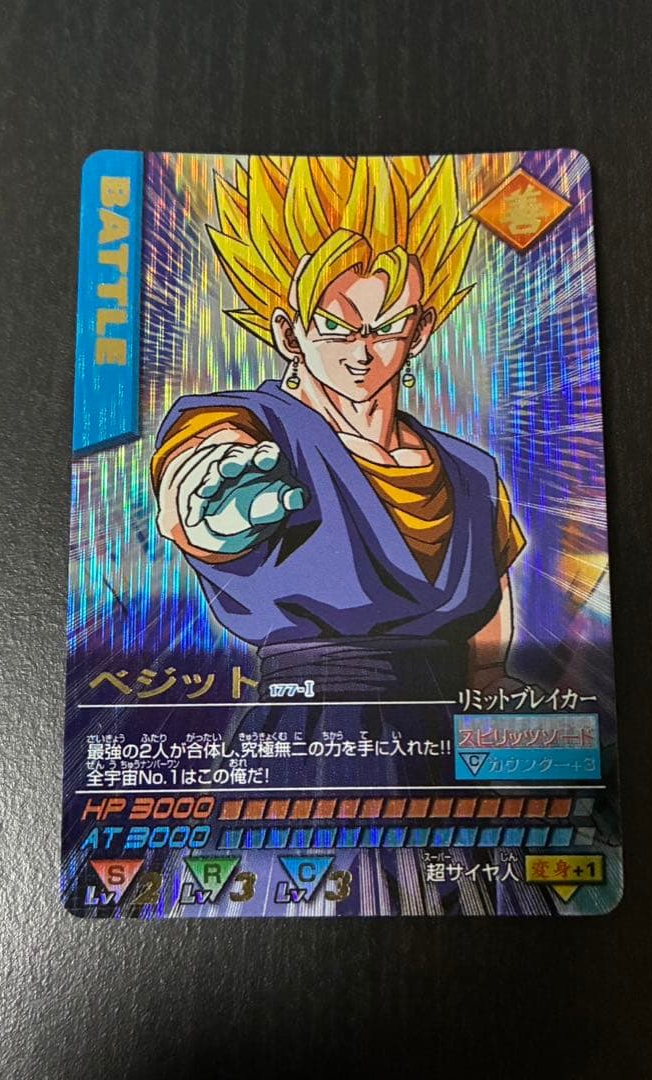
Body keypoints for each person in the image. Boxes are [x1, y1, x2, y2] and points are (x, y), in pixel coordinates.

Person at [151, 156, 525, 741]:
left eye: (387, 326)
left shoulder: (471, 471)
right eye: (336, 326)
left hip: (449, 741)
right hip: (313, 733)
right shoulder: (260, 427)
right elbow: (206, 450)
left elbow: (491, 604)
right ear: (288, 332)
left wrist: (489, 680)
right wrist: (206, 499)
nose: (361, 352)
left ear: (421, 330)